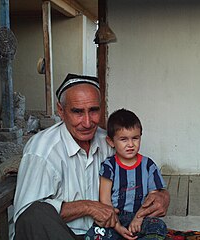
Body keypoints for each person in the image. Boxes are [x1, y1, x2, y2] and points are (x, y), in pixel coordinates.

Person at [13, 74, 170, 240]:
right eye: (77, 112)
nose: (87, 123)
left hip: (102, 234)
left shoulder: (108, 142)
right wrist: (88, 207)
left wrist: (162, 196)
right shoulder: (43, 150)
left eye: (93, 110)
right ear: (61, 111)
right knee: (36, 214)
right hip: (59, 234)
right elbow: (27, 216)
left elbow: (138, 173)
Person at [85, 109, 168, 240]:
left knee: (158, 226)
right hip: (115, 218)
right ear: (111, 141)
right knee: (97, 232)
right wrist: (117, 226)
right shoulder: (109, 166)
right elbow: (105, 201)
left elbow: (152, 199)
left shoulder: (148, 165)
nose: (130, 144)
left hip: (140, 217)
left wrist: (139, 218)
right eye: (123, 139)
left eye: (135, 138)